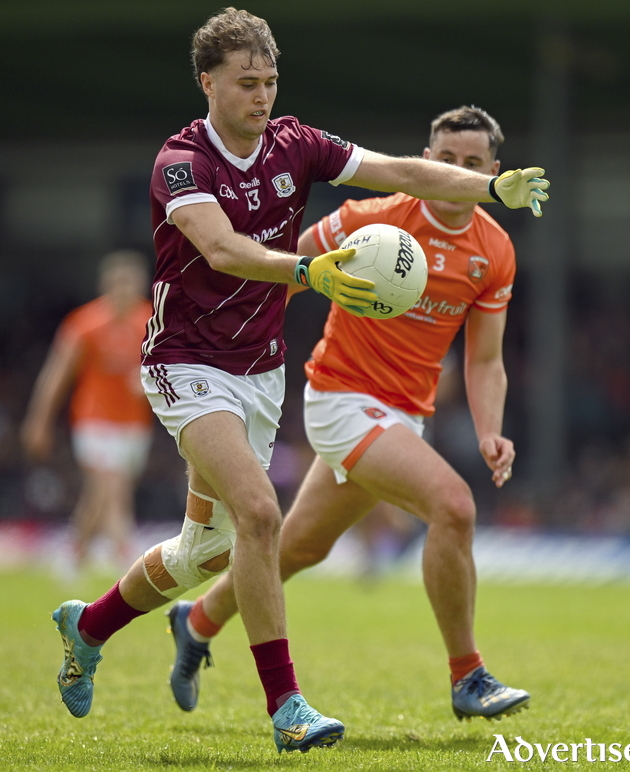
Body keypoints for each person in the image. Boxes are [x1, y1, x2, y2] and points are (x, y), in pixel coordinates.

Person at [50, 7, 548, 755]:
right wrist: (310, 271)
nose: (262, 95)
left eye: (271, 80)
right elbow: (220, 249)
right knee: (260, 513)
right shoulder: (181, 162)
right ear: (207, 81)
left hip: (258, 371)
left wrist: (494, 189)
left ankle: (88, 626)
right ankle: (288, 706)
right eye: (246, 82)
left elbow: (403, 168)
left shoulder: (300, 144)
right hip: (187, 363)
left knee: (207, 551)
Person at [166, 105, 531, 724]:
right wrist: (217, 345)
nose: (457, 172)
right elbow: (280, 275)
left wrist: (490, 429)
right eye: (445, 160)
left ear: (492, 172)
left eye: (473, 165)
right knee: (454, 505)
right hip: (340, 400)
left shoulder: (494, 249)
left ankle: (195, 620)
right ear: (425, 161)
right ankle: (468, 676)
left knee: (297, 548)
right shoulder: (374, 218)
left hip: (402, 416)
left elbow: (485, 359)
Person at [21, 249, 153, 574]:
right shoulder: (85, 323)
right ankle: (128, 559)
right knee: (113, 487)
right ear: (104, 284)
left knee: (100, 494)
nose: (122, 289)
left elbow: (167, 368)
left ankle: (72, 553)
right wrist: (38, 421)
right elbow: (57, 374)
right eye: (116, 282)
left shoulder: (151, 321)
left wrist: (149, 384)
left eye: (129, 282)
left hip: (135, 424)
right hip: (93, 420)